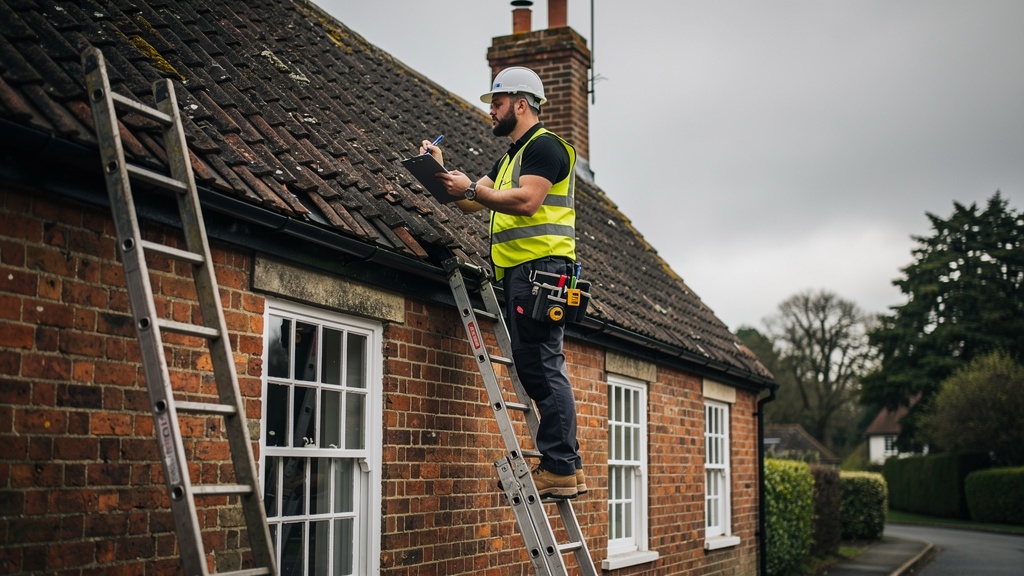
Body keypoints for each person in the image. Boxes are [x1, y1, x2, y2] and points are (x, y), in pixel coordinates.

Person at [420, 66, 585, 500]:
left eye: (495, 103)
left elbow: (528, 202)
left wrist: (472, 186)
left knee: (543, 365)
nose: (490, 112)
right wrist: (439, 173)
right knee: (536, 364)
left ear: (521, 103)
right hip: (523, 274)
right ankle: (568, 465)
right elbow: (475, 203)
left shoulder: (547, 148)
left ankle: (561, 468)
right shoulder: (511, 156)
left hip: (541, 270)